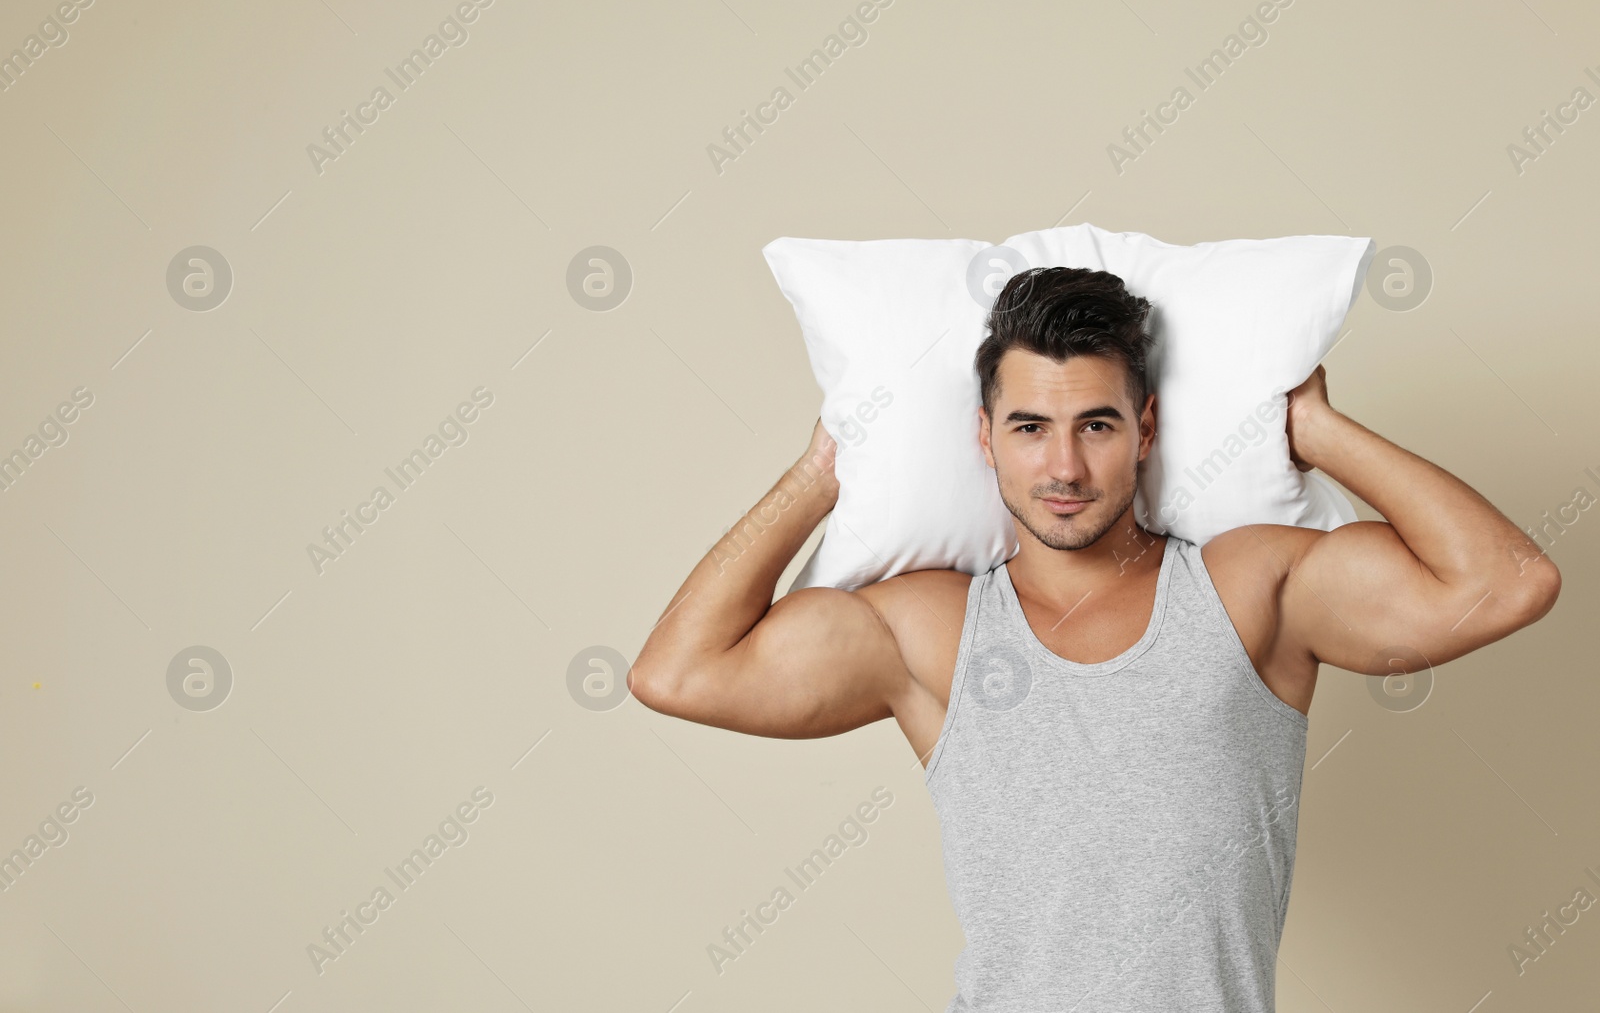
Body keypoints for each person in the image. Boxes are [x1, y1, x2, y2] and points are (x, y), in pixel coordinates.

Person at [628, 266, 1561, 1012]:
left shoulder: (1248, 590)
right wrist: (824, 469)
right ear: (985, 438)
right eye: (1030, 427)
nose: (1064, 466)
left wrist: (1314, 428)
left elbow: (1509, 583)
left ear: (1145, 430)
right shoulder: (933, 628)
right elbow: (678, 672)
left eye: (1097, 425)